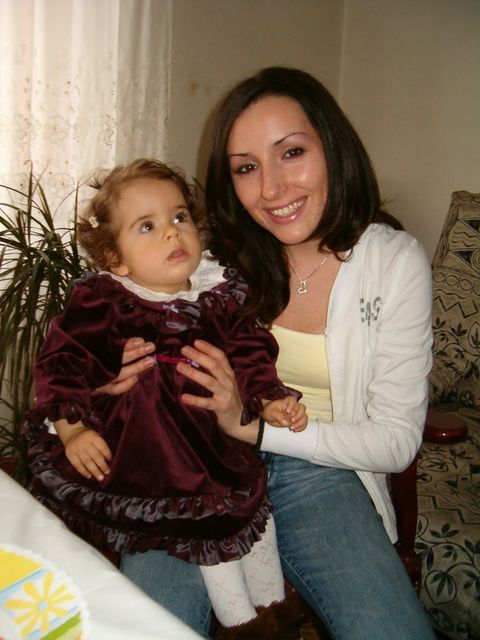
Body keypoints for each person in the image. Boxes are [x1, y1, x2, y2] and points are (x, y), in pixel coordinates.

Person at [102, 67, 438, 639]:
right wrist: (107, 378)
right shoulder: (208, 261)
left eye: (292, 153)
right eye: (247, 168)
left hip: (322, 472)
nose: (272, 189)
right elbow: (111, 311)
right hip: (194, 468)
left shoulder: (393, 264)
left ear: (332, 147)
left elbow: (396, 441)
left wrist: (256, 430)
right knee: (148, 625)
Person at [26, 158, 308, 638]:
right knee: (215, 543)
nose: (172, 233)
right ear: (116, 258)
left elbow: (251, 351)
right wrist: (72, 429)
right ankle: (245, 626)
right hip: (153, 460)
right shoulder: (105, 302)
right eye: (147, 226)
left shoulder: (221, 294)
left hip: (215, 447)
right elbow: (61, 362)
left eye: (179, 217)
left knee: (255, 525)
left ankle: (276, 612)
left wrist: (267, 397)